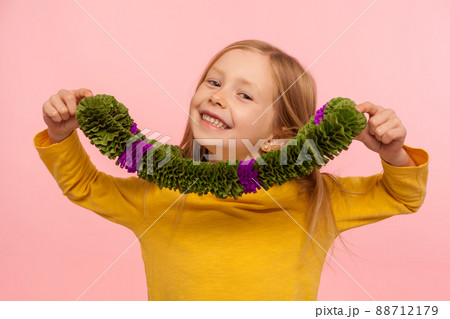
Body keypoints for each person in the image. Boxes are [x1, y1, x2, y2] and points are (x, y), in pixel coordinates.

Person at [33, 39, 429, 301]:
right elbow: (82, 185)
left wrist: (391, 151)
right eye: (213, 81)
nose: (218, 97)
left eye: (244, 94)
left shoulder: (315, 199)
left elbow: (402, 195)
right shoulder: (158, 193)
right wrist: (62, 134)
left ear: (282, 131)